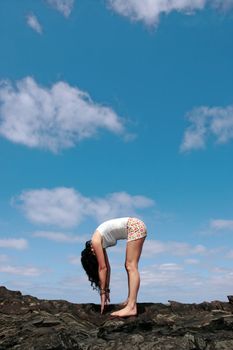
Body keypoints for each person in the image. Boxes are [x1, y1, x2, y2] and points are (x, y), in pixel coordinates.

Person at [81, 217, 147, 317]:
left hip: (135, 226)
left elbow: (103, 268)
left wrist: (102, 293)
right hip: (135, 226)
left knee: (131, 265)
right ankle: (130, 300)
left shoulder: (95, 242)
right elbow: (108, 268)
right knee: (128, 265)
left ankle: (132, 307)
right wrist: (106, 289)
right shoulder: (98, 241)